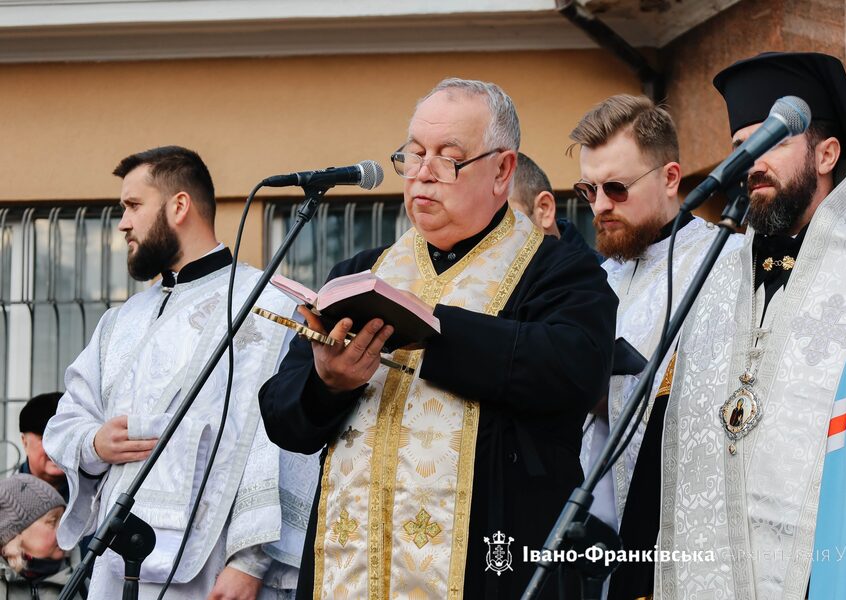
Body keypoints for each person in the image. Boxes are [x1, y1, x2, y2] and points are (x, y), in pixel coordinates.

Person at [258, 78, 617, 599]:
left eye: (449, 158)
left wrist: (431, 327)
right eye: (414, 153)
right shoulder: (361, 273)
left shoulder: (558, 268)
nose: (423, 173)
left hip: (493, 562)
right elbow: (283, 419)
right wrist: (327, 383)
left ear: (502, 170)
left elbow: (573, 369)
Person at [657, 52, 846, 599]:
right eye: (742, 144)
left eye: (772, 141)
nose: (751, 161)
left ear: (827, 153)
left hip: (827, 561)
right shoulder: (716, 275)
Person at [44, 145, 317, 599]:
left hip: (217, 566)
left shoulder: (270, 307)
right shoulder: (122, 320)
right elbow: (68, 417)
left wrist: (251, 563)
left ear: (179, 205)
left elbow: (290, 440)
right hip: (117, 563)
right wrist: (94, 443)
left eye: (133, 206)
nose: (123, 223)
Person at [569, 94, 742, 599]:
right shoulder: (596, 278)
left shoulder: (729, 263)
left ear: (670, 178)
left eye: (617, 188)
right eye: (589, 189)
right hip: (597, 540)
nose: (600, 206)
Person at [0, 473, 83, 598]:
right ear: (15, 534)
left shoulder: (83, 584)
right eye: (52, 521)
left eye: (63, 520)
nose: (64, 530)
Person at [18, 392, 67, 494]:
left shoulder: (98, 493)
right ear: (25, 442)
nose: (57, 447)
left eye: (67, 437)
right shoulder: (5, 497)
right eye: (46, 438)